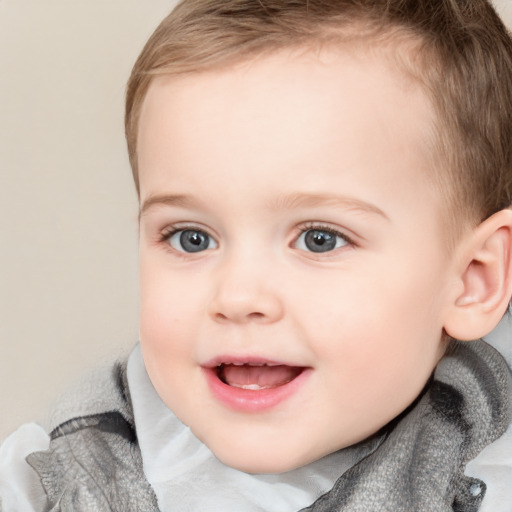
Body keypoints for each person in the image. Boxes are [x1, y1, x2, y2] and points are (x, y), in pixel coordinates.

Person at [1, 0, 512, 510]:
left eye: (320, 239)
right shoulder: (48, 481)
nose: (239, 297)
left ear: (474, 279)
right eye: (190, 237)